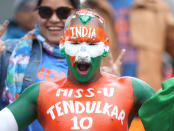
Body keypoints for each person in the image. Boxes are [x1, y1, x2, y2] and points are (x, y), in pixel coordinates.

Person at [0, 9, 155, 131]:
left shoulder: (133, 89)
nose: (83, 54)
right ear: (62, 45)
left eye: (92, 45)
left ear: (105, 47)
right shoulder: (40, 93)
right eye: (74, 44)